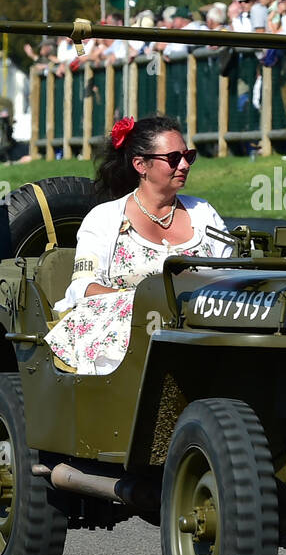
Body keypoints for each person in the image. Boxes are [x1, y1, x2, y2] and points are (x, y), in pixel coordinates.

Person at [45, 115, 232, 375]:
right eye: (173, 158)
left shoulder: (203, 213)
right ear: (140, 165)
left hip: (202, 331)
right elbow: (83, 287)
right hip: (132, 337)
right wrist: (146, 302)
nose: (185, 165)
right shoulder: (106, 218)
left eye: (188, 156)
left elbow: (231, 272)